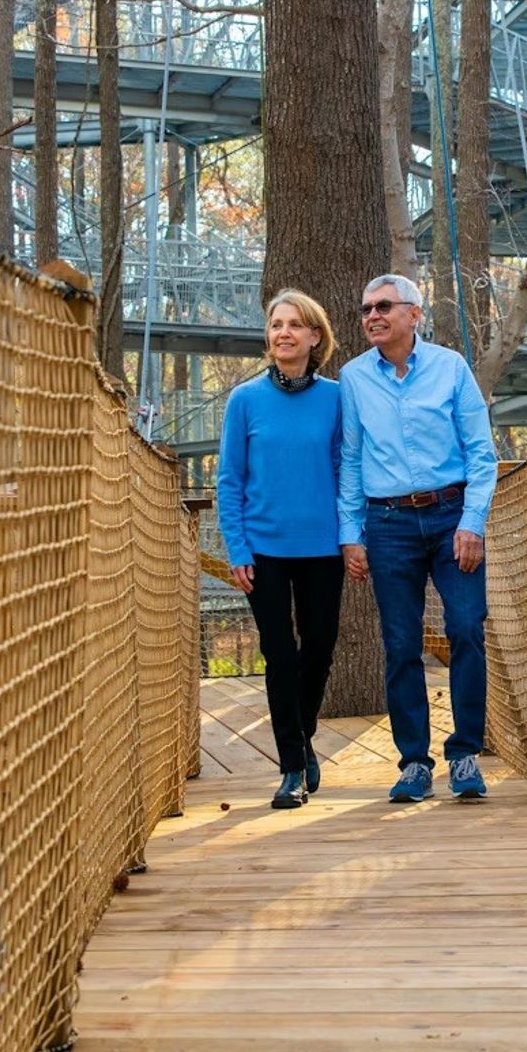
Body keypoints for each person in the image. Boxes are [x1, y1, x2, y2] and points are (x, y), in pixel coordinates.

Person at [338, 273, 497, 803]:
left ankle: (465, 754)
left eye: (383, 306)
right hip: (387, 525)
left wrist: (472, 521)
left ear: (414, 314)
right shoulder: (355, 378)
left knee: (466, 627)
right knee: (402, 643)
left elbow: (480, 452)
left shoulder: (451, 368)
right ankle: (413, 762)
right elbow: (352, 460)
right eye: (365, 309)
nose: (372, 317)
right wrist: (350, 535)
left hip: (453, 516)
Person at [217, 290, 344, 810]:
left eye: (295, 325)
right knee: (280, 656)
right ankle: (291, 765)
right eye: (276, 324)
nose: (284, 333)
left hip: (323, 546)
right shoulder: (243, 400)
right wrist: (237, 547)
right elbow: (229, 481)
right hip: (263, 549)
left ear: (315, 337)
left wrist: (351, 536)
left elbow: (346, 471)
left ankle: (303, 735)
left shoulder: (337, 398)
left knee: (318, 651)